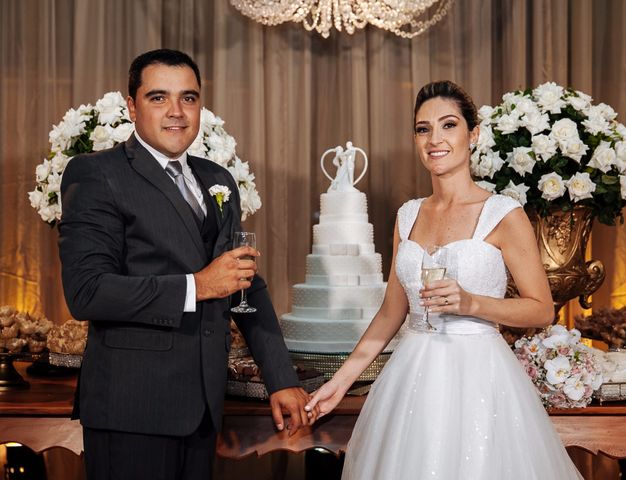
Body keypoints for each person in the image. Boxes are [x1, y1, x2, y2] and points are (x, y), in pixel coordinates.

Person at [58, 48, 317, 480]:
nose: (176, 112)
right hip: (132, 408)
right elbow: (87, 292)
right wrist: (197, 286)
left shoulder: (218, 180)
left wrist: (281, 377)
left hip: (202, 406)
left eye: (189, 98)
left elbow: (243, 283)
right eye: (159, 98)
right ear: (131, 106)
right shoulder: (96, 174)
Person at [305, 80, 584, 479]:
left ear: (473, 134)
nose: (435, 139)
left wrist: (473, 303)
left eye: (448, 125)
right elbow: (391, 312)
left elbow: (542, 309)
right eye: (423, 128)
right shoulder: (407, 216)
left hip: (482, 380)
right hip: (413, 379)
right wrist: (341, 381)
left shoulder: (503, 213)